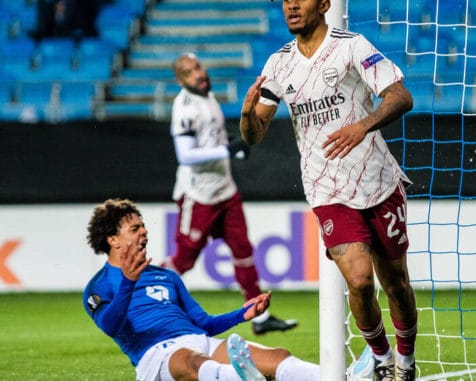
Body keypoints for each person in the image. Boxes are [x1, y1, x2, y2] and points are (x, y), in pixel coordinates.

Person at [239, 0, 418, 379]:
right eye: (286, 0)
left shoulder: (352, 46)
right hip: (326, 190)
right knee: (359, 280)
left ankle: (406, 361)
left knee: (396, 285)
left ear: (323, 5)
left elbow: (401, 97)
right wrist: (245, 116)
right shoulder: (278, 64)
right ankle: (383, 360)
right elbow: (255, 135)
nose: (290, 5)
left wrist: (362, 125)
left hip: (378, 183)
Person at [82, 198, 320, 381]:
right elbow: (110, 326)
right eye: (135, 229)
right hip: (157, 353)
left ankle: (345, 377)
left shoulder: (166, 276)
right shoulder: (99, 285)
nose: (144, 231)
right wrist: (128, 283)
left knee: (277, 357)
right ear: (113, 240)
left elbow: (203, 323)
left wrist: (242, 314)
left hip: (200, 340)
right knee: (192, 362)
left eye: (143, 226)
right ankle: (238, 377)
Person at [163, 52, 298, 335]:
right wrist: (227, 150)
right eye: (189, 72)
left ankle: (260, 318)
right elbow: (185, 155)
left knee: (243, 251)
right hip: (199, 196)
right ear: (180, 80)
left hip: (225, 191)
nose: (198, 73)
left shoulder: (207, 96)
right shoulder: (184, 107)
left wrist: (228, 150)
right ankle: (148, 302)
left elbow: (210, 138)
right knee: (183, 261)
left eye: (198, 66)